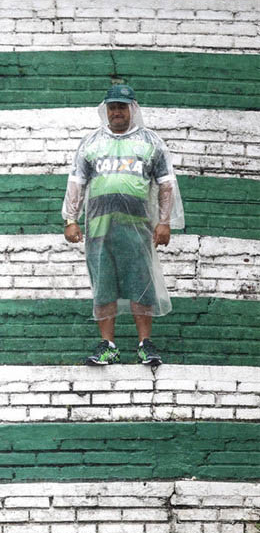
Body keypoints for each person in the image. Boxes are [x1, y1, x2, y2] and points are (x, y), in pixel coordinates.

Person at [62, 84, 184, 366]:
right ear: (105, 110)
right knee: (103, 284)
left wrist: (164, 223)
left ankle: (144, 345)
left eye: (122, 106)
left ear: (133, 108)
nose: (117, 112)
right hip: (99, 228)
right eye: (112, 107)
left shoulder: (151, 143)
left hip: (138, 227)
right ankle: (108, 345)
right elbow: (76, 183)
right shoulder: (91, 143)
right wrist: (71, 219)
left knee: (142, 283)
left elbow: (166, 184)